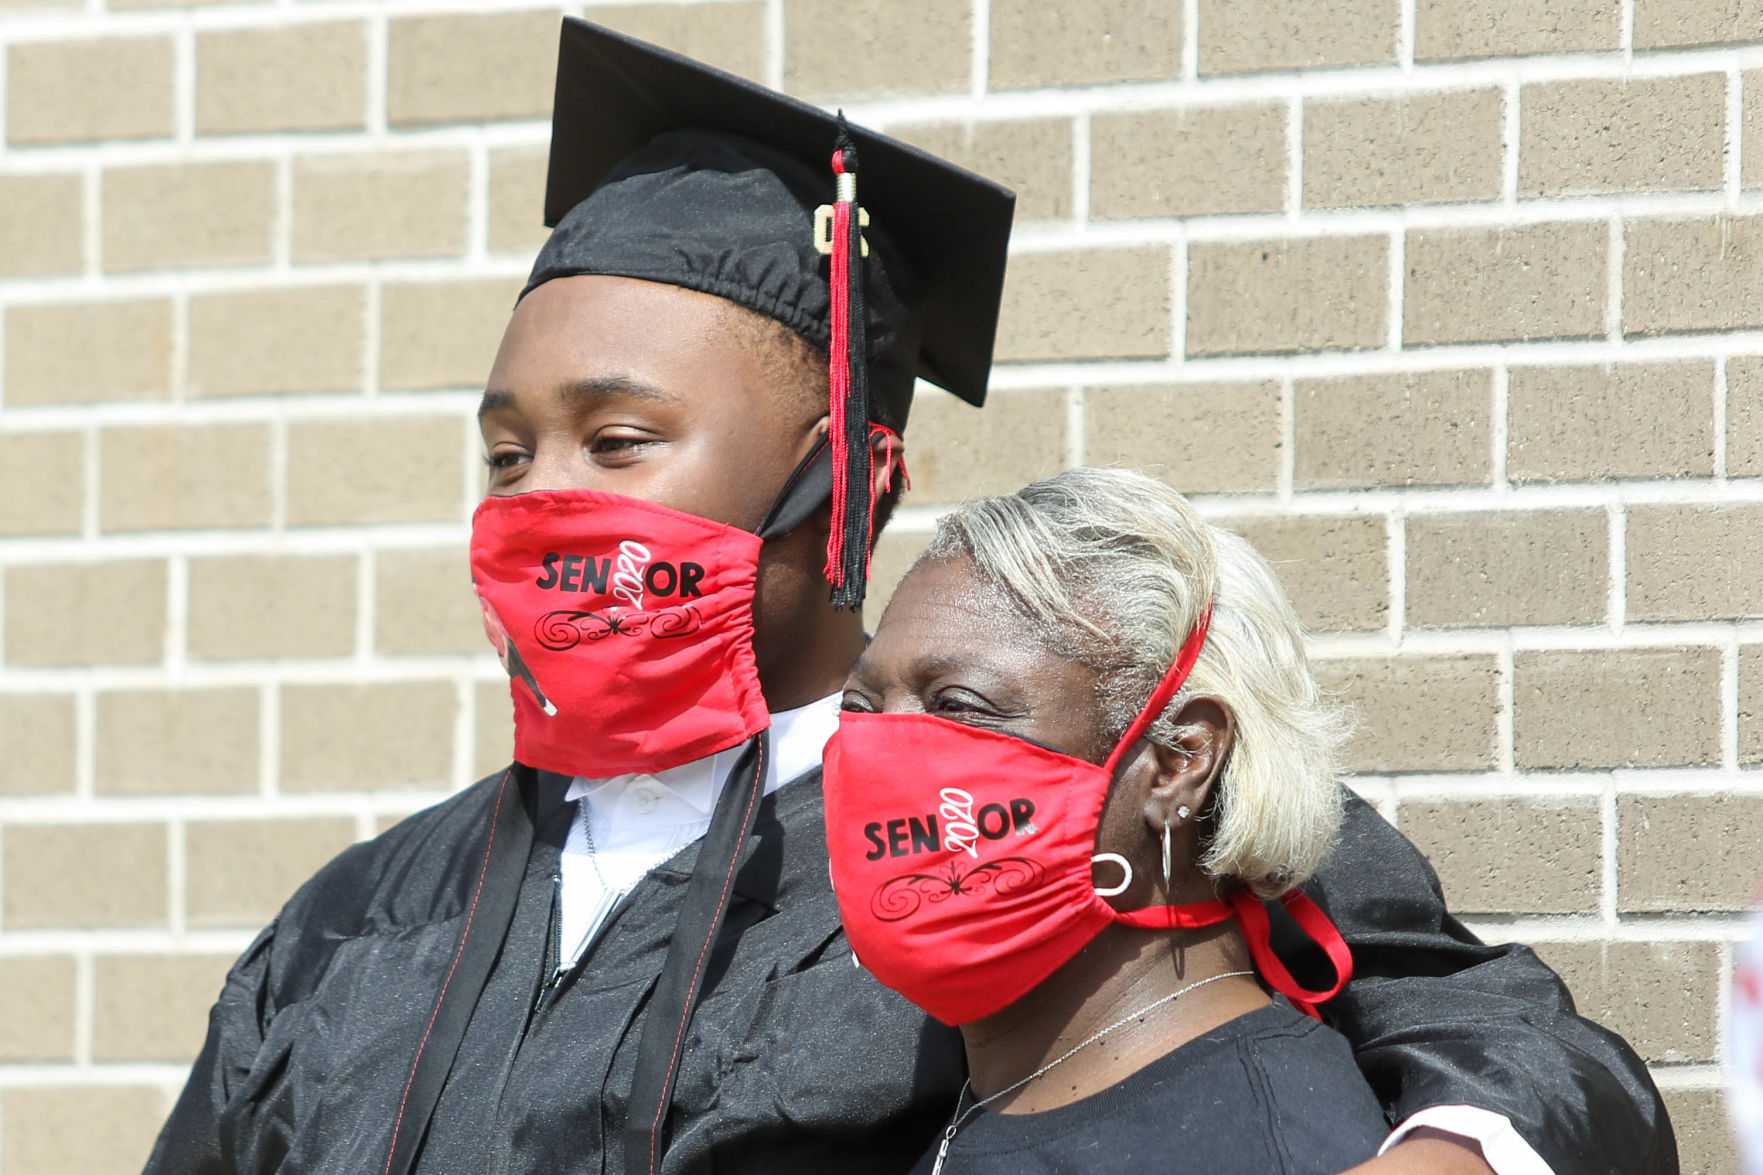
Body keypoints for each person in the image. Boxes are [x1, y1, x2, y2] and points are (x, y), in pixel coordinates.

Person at [144, 17, 1674, 1175]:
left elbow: (1510, 1039)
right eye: (503, 452)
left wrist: (1451, 1148)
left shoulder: (1024, 833)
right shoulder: (354, 923)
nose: (546, 503)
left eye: (618, 442)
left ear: (852, 476)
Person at [825, 466, 1388, 1174]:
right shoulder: (964, 1096)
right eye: (858, 707)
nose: (881, 749)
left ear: (1179, 760)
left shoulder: (1260, 1144)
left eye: (959, 704)